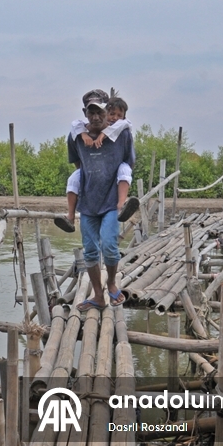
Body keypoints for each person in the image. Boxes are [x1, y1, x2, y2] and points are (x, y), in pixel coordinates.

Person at [66, 89, 134, 311]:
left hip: (111, 203)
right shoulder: (76, 136)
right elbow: (78, 164)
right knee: (90, 251)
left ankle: (112, 284)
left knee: (110, 247)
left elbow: (128, 163)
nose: (95, 117)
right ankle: (97, 295)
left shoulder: (121, 134)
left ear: (107, 112)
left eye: (100, 112)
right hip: (88, 204)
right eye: (91, 112)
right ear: (85, 113)